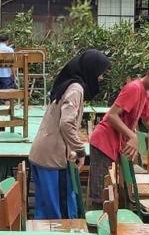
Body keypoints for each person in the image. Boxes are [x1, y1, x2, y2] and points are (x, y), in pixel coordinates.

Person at [88, 59, 149, 207]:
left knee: (111, 190)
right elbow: (112, 116)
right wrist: (132, 135)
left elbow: (148, 121)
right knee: (100, 194)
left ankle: (111, 217)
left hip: (115, 145)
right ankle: (96, 220)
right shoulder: (134, 88)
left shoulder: (144, 92)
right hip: (103, 143)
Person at [29, 49, 110, 219]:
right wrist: (80, 150)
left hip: (43, 154)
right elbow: (66, 123)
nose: (100, 78)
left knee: (46, 213)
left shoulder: (67, 84)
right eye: (99, 74)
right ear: (91, 70)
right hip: (53, 158)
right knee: (61, 215)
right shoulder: (76, 89)